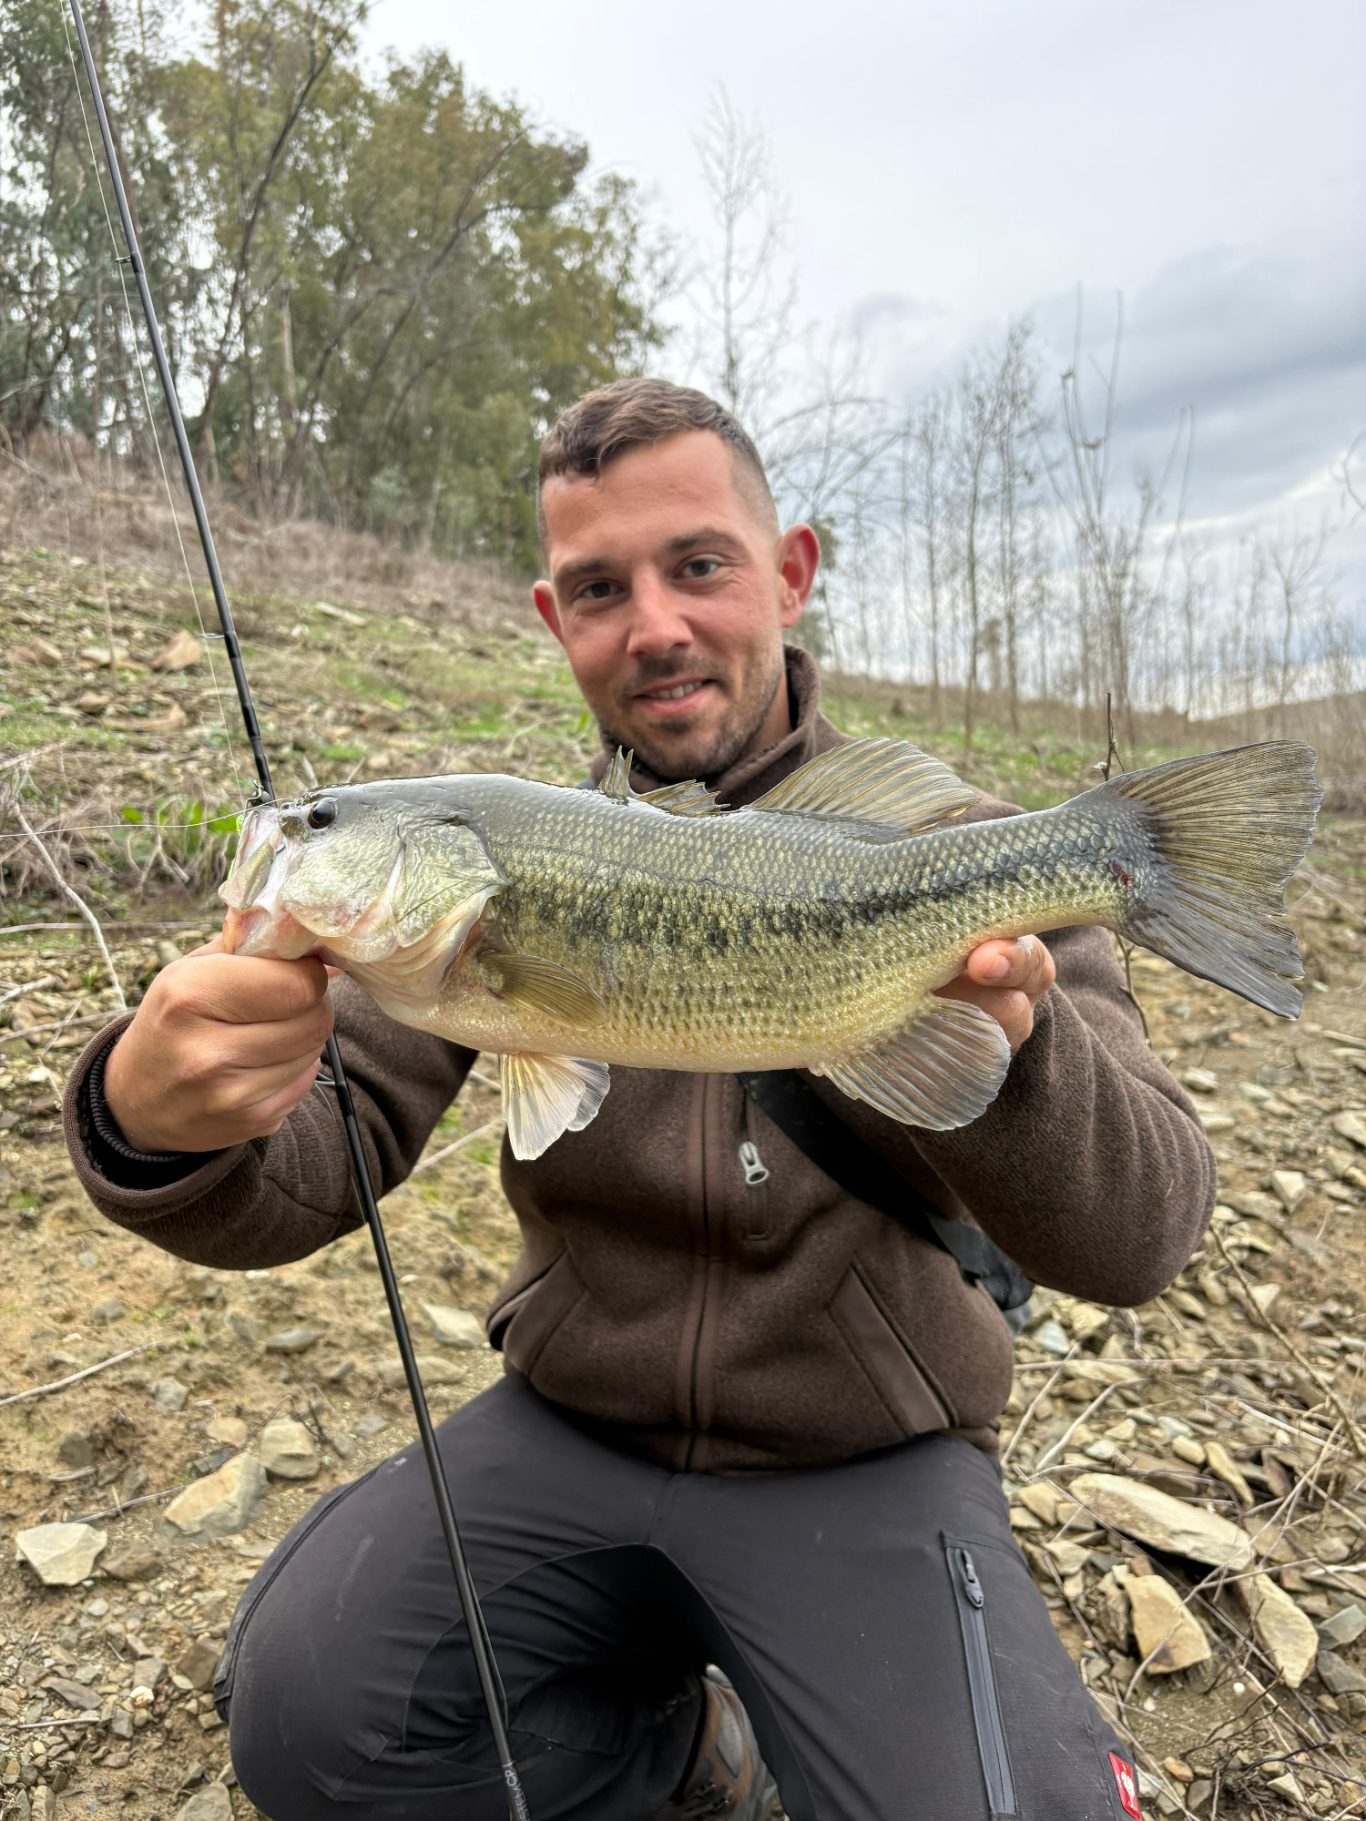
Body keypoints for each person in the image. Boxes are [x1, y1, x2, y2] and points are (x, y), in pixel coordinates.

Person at [63, 378, 1216, 1821]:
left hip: (860, 1456)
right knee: (311, 1716)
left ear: (788, 572)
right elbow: (320, 1146)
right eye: (600, 587)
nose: (655, 624)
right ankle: (684, 1760)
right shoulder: (489, 886)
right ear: (554, 621)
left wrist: (1006, 1055)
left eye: (697, 566)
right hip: (571, 1425)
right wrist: (161, 1112)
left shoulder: (963, 851)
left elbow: (1145, 1234)